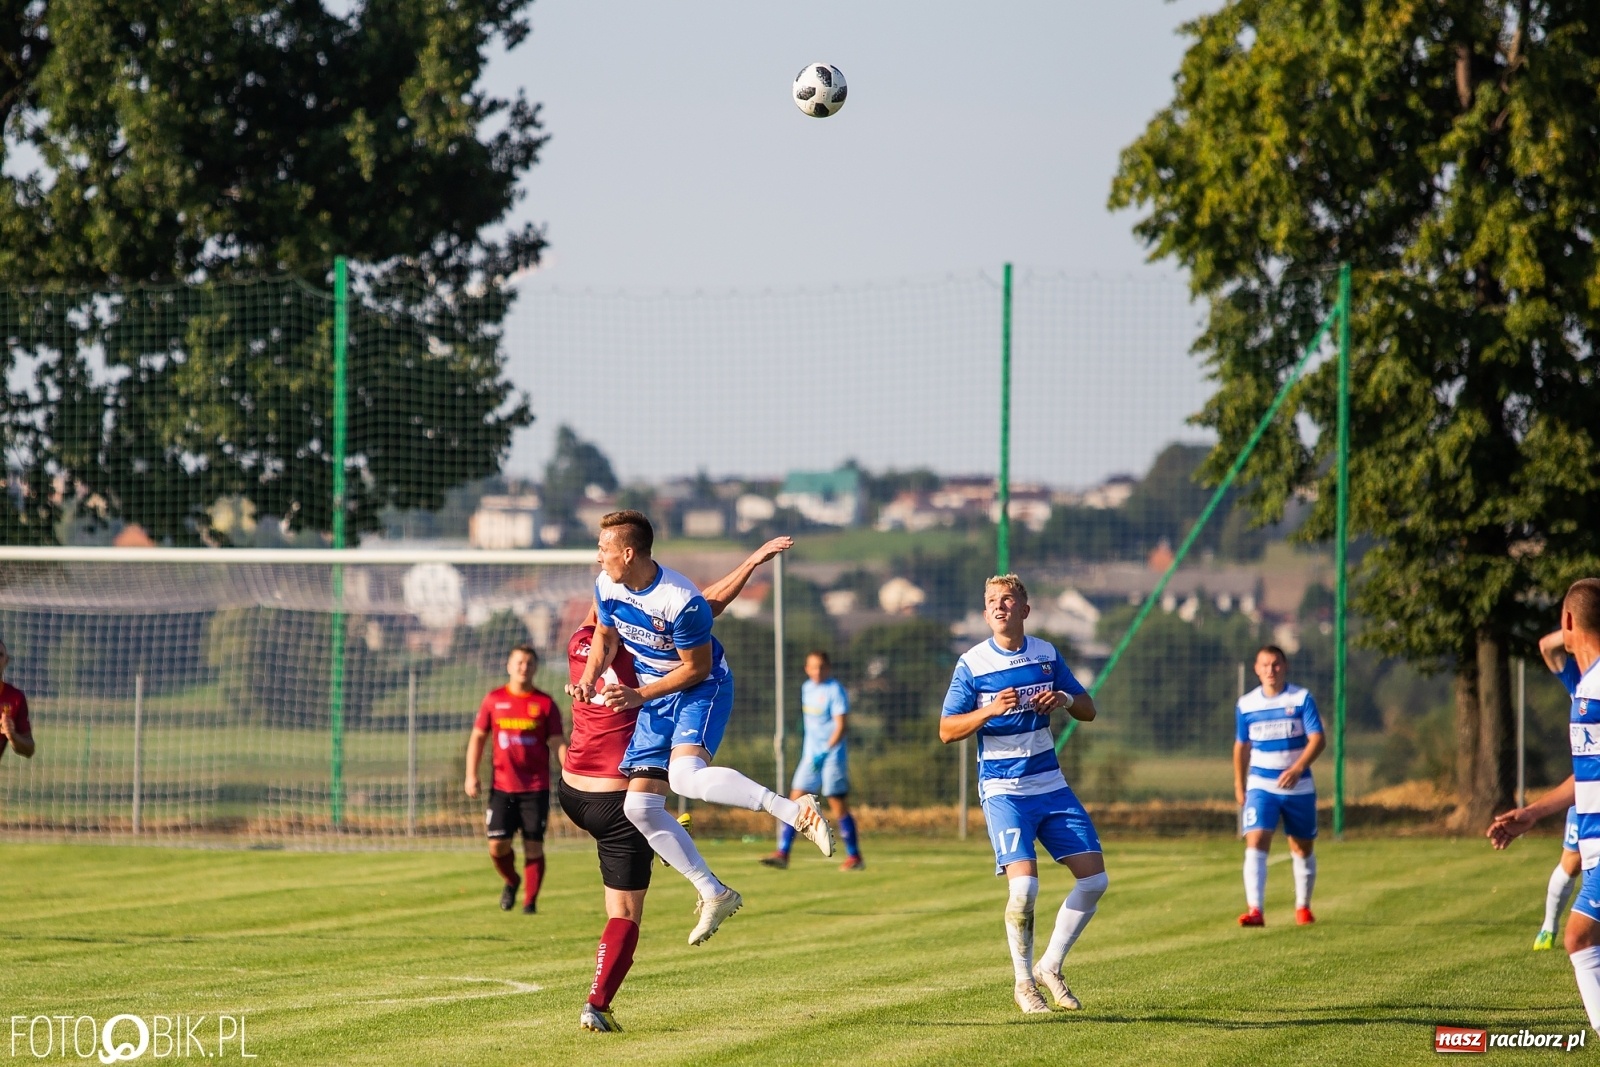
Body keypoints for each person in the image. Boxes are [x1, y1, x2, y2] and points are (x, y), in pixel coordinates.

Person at [567, 511, 834, 947]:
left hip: (700, 688)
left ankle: (794, 811)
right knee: (639, 808)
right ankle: (714, 892)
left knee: (685, 777)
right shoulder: (607, 585)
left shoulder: (679, 600)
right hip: (654, 694)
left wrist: (638, 695)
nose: (598, 557)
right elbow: (605, 637)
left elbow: (697, 668)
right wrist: (588, 679)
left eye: (604, 549)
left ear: (628, 553)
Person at [562, 537, 792, 1033]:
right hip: (616, 797)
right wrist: (749, 563)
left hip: (572, 790)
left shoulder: (581, 643)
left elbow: (607, 621)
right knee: (624, 910)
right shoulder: (642, 652)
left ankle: (669, 837)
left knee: (649, 816)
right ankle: (596, 1003)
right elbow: (704, 608)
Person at [939, 574, 1104, 1016]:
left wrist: (1063, 699)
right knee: (1025, 887)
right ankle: (1024, 983)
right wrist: (990, 709)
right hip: (1004, 790)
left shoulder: (1046, 655)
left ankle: (1050, 966)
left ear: (1025, 610)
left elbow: (1088, 709)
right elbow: (946, 730)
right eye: (992, 600)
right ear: (985, 613)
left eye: (1008, 599)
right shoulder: (972, 664)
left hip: (1050, 784)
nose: (1000, 606)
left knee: (1094, 881)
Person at [1491, 579, 1600, 1035]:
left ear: (1568, 620)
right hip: (1591, 837)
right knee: (1582, 938)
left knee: (1578, 938)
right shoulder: (1586, 685)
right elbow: (1587, 776)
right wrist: (1533, 813)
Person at [465, 645, 565, 914]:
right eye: (519, 662)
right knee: (497, 846)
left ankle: (529, 904)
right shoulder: (494, 700)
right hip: (502, 787)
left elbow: (557, 742)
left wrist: (570, 772)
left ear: (536, 668)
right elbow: (478, 737)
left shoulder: (545, 703)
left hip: (535, 787)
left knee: (533, 845)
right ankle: (511, 879)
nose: (524, 667)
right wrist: (471, 775)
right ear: (509, 666)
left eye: (529, 663)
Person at [1233, 645, 1325, 927]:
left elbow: (1318, 739)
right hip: (1261, 785)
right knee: (1256, 840)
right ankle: (1256, 910)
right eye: (1265, 665)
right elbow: (1242, 746)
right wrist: (1239, 783)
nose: (1270, 670)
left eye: (1275, 664)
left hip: (1298, 787)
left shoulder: (1301, 698)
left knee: (1302, 847)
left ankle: (1303, 907)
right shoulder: (1246, 704)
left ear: (1285, 667)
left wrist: (1297, 768)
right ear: (1256, 669)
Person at [761, 650, 863, 871]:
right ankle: (783, 853)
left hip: (831, 756)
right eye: (813, 667)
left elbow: (841, 726)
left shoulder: (835, 690)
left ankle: (854, 856)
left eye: (821, 667)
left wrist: (825, 751)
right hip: (810, 757)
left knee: (837, 804)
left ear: (828, 668)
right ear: (806, 669)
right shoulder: (806, 688)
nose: (817, 671)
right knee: (794, 802)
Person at [1535, 628, 1585, 950]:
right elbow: (1547, 647)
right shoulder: (1583, 678)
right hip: (1590, 787)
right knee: (1572, 861)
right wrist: (1579, 625)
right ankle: (1548, 927)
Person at [0, 640, 36, 765]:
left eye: (0, 655)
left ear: (6, 661)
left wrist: (12, 735)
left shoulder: (15, 698)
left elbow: (29, 749)